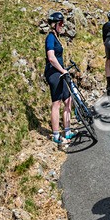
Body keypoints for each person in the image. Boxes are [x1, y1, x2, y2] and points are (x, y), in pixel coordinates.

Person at [44, 12, 75, 145]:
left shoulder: (57, 37)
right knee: (56, 103)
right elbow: (51, 57)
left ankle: (67, 131)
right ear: (54, 24)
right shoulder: (50, 37)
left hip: (60, 72)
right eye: (60, 23)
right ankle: (56, 134)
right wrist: (62, 70)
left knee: (68, 100)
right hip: (53, 73)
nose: (62, 26)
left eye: (63, 23)